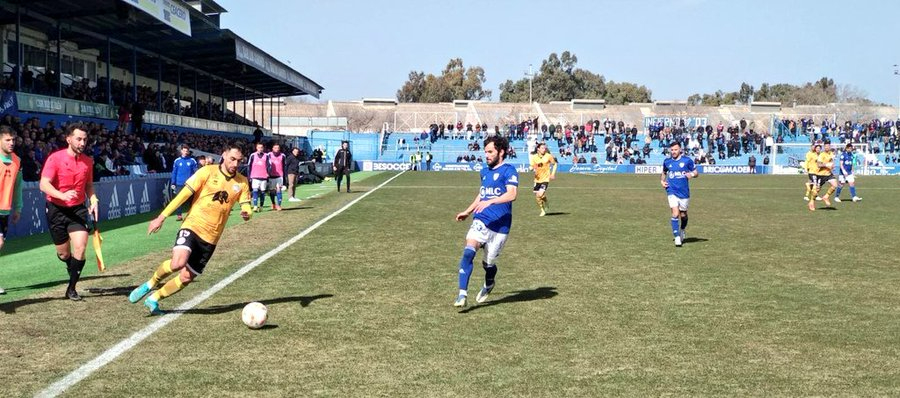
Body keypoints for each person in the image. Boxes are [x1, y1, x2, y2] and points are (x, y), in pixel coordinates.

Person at [128, 143, 252, 315]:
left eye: (239, 160)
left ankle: (154, 299)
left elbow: (246, 203)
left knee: (187, 277)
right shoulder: (207, 172)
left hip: (211, 238)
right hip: (193, 225)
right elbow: (183, 195)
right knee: (178, 262)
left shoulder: (242, 182)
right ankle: (150, 283)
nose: (235, 164)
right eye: (232, 159)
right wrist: (161, 217)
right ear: (223, 155)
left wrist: (247, 212)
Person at [453, 136, 518, 307]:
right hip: (482, 220)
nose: (486, 155)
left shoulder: (509, 170)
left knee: (488, 263)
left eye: (490, 152)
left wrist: (490, 201)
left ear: (501, 152)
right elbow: (482, 194)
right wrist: (468, 211)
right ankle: (462, 294)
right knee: (468, 252)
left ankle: (489, 283)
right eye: (485, 152)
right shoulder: (484, 172)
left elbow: (512, 194)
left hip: (501, 225)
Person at [39, 123, 98, 301]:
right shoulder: (55, 158)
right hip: (56, 209)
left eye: (85, 139)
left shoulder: (88, 161)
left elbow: (88, 185)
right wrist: (62, 195)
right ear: (68, 139)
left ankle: (71, 288)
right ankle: (70, 265)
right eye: (79, 139)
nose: (82, 143)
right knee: (64, 254)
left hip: (78, 210)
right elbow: (44, 184)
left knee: (80, 247)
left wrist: (93, 199)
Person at [661, 141, 697, 247]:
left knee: (683, 214)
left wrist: (691, 174)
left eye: (675, 149)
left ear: (680, 150)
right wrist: (662, 181)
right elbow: (664, 173)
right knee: (675, 213)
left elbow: (696, 172)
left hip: (684, 192)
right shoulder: (667, 161)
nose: (673, 152)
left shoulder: (687, 161)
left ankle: (682, 230)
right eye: (672, 150)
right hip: (671, 190)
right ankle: (677, 237)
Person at [0, 127, 23, 294]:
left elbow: (18, 186)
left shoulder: (17, 160)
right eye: (8, 140)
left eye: (13, 139)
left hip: (5, 211)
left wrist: (18, 207)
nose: (11, 143)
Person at [170, 145, 198, 221]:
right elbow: (174, 172)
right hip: (179, 183)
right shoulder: (177, 161)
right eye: (184, 150)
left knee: (191, 200)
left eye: (187, 151)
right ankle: (179, 215)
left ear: (188, 152)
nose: (185, 152)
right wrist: (173, 182)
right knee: (179, 199)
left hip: (190, 184)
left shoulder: (192, 160)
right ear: (181, 151)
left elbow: (196, 172)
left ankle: (192, 214)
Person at [529, 142, 557, 217]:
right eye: (542, 148)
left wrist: (553, 174)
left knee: (540, 194)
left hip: (545, 179)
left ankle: (546, 204)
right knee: (538, 197)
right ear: (538, 149)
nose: (544, 149)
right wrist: (531, 168)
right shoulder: (534, 157)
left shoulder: (548, 156)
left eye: (545, 148)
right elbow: (531, 167)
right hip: (537, 180)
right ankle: (543, 209)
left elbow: (555, 164)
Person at [808, 141, 838, 211]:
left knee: (835, 185)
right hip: (821, 175)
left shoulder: (831, 154)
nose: (827, 147)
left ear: (830, 146)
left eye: (828, 146)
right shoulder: (821, 155)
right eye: (826, 146)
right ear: (824, 147)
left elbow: (831, 163)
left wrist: (831, 166)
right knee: (816, 191)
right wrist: (827, 165)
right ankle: (811, 202)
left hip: (828, 174)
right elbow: (819, 165)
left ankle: (826, 196)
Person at [247, 142, 269, 212]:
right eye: (259, 147)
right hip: (255, 176)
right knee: (255, 191)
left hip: (263, 176)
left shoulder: (266, 156)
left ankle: (261, 206)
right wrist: (249, 176)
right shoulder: (253, 155)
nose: (260, 149)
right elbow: (249, 166)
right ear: (256, 148)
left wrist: (268, 173)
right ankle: (255, 206)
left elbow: (269, 165)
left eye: (261, 147)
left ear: (263, 148)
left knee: (262, 192)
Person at [267, 143, 285, 211]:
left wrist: (284, 176)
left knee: (278, 190)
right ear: (272, 149)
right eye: (275, 148)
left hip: (279, 176)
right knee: (272, 192)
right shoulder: (268, 155)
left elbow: (284, 166)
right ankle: (273, 203)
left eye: (278, 148)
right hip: (271, 176)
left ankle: (279, 205)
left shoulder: (282, 155)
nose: (276, 149)